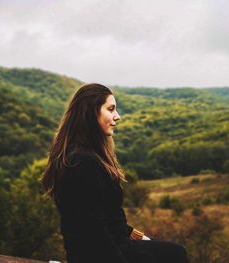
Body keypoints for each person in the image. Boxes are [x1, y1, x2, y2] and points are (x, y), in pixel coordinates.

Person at [42, 83, 189, 263]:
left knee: (172, 252)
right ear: (90, 112)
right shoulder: (83, 162)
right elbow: (93, 230)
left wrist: (138, 236)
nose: (117, 117)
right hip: (99, 254)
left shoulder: (82, 156)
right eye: (110, 109)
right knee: (176, 254)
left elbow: (107, 218)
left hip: (110, 246)